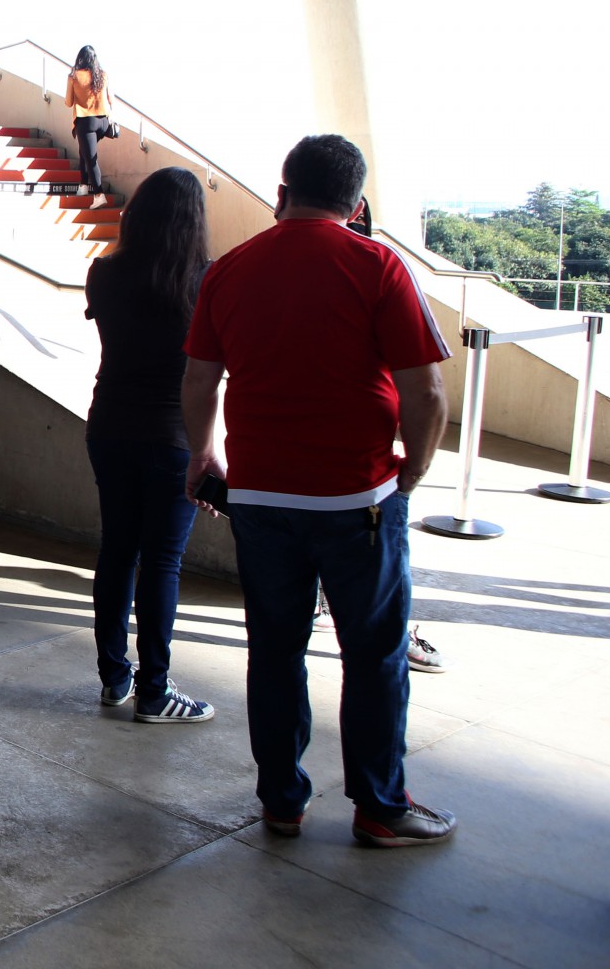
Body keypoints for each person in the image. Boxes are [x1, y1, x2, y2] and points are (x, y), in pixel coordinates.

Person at [182, 134, 454, 846]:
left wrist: (203, 454)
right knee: (373, 655)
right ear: (356, 205)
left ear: (283, 193)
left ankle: (281, 801)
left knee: (275, 649)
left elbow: (200, 378)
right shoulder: (378, 264)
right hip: (357, 501)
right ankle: (378, 808)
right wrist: (413, 473)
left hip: (262, 498)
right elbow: (425, 389)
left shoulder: (230, 270)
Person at [85, 166, 215, 723]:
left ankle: (115, 679)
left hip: (109, 424)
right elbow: (207, 375)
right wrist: (208, 449)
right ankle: (155, 692)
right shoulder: (205, 281)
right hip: (172, 437)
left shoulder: (104, 273)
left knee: (117, 549)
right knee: (162, 563)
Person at [65, 45, 113, 195]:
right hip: (103, 123)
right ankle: (83, 186)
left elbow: (68, 102)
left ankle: (99, 195)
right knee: (84, 151)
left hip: (86, 122)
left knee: (91, 159)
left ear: (80, 58)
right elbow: (111, 99)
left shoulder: (74, 76)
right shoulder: (103, 75)